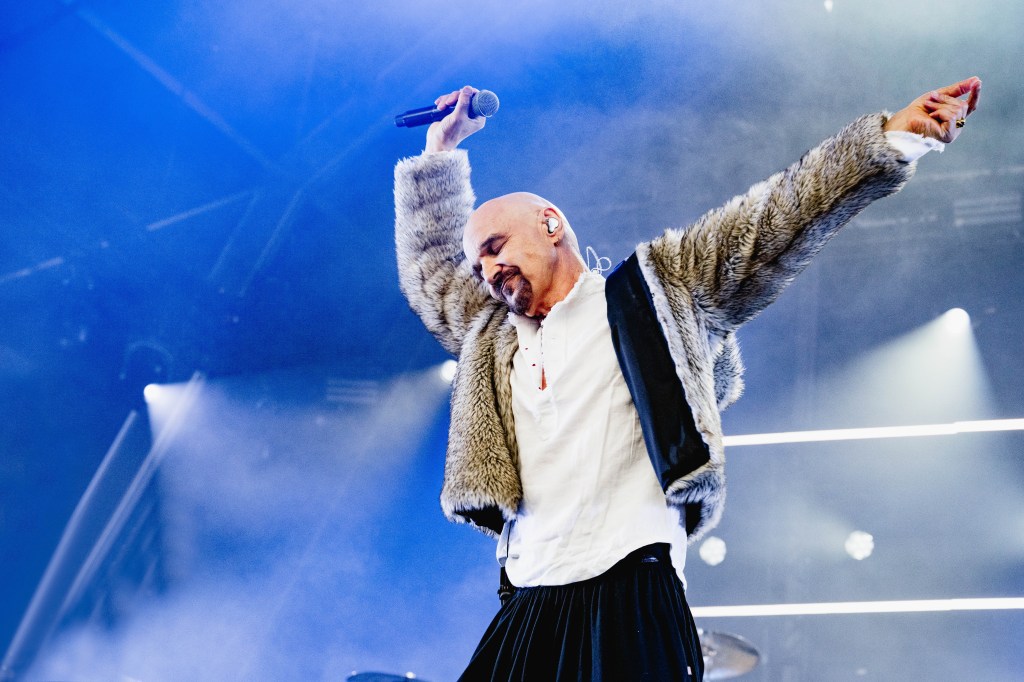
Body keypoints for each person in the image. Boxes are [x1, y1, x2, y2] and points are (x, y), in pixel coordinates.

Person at [393, 77, 981, 680]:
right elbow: (431, 272)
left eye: (496, 246)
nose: (489, 269)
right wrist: (440, 153)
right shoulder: (492, 338)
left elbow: (774, 220)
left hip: (631, 584)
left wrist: (893, 140)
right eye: (479, 264)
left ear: (551, 224)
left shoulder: (654, 295)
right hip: (529, 597)